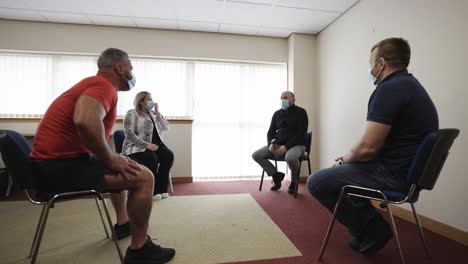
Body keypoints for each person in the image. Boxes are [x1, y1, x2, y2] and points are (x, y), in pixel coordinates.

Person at [30, 48, 175, 263]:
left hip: (54, 164)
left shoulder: (94, 85)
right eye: (131, 69)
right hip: (56, 169)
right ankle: (140, 249)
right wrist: (109, 158)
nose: (132, 74)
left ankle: (123, 224)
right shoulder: (103, 86)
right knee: (144, 177)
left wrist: (112, 159)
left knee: (123, 165)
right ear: (121, 68)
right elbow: (85, 121)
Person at [307, 38, 438, 255]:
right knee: (347, 171)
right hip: (408, 176)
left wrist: (342, 161)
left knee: (316, 182)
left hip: (393, 176)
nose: (370, 69)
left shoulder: (390, 89)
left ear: (381, 64)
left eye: (371, 63)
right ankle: (368, 228)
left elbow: (367, 148)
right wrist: (350, 160)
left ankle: (372, 230)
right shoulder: (411, 86)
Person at [252, 91, 308, 194]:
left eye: (286, 97)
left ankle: (294, 181)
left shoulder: (301, 112)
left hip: (297, 145)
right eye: (281, 98)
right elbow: (270, 132)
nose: (283, 100)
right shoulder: (277, 114)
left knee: (290, 157)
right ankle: (276, 176)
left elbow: (301, 134)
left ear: (293, 99)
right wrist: (270, 145)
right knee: (256, 155)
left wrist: (285, 147)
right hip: (278, 145)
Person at [122, 91, 174, 201]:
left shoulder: (154, 115)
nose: (152, 102)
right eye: (149, 99)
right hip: (136, 146)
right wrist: (147, 145)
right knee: (151, 158)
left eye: (152, 99)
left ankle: (162, 189)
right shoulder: (132, 113)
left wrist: (158, 113)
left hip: (157, 145)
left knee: (168, 155)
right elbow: (129, 134)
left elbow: (165, 127)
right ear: (141, 102)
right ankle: (153, 190)